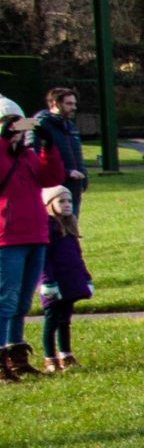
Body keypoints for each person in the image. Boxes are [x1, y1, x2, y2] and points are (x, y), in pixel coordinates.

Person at [0, 116, 67, 384]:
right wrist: (3, 141)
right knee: (5, 300)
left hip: (35, 236)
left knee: (22, 301)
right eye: (13, 128)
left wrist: (48, 146)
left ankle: (16, 355)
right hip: (7, 238)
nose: (18, 133)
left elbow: (52, 177)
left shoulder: (27, 156)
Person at [37, 183, 91, 372]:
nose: (67, 204)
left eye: (69, 200)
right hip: (54, 283)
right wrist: (47, 281)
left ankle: (66, 354)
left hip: (69, 282)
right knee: (51, 319)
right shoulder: (47, 228)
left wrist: (86, 277)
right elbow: (44, 259)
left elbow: (78, 257)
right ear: (49, 204)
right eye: (61, 201)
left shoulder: (69, 229)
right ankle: (50, 358)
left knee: (65, 320)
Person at [33, 88, 87, 216]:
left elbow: (77, 155)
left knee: (71, 227)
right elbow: (34, 157)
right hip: (55, 187)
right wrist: (67, 172)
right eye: (69, 104)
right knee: (56, 228)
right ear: (54, 104)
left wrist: (84, 177)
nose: (74, 107)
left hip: (74, 186)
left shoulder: (69, 126)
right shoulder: (40, 125)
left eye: (74, 104)